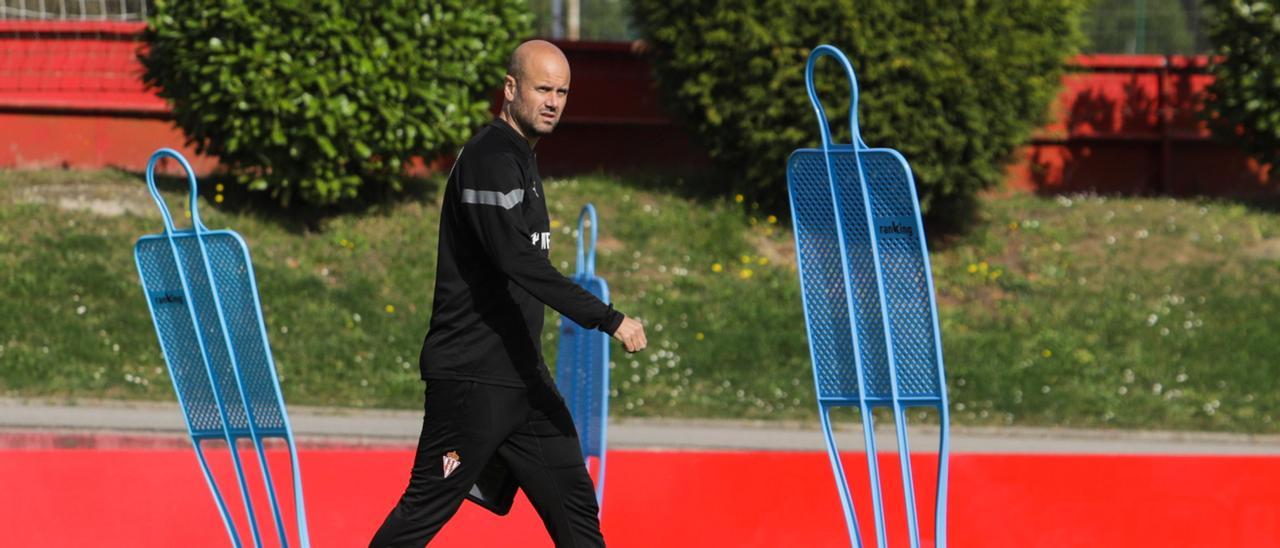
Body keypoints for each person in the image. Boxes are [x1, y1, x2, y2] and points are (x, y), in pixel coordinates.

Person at [369, 40, 647, 547]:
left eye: (562, 91)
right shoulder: (490, 157)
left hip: (523, 379)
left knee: (576, 507)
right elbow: (517, 260)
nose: (554, 101)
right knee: (424, 510)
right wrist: (606, 318)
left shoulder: (521, 158)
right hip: (473, 375)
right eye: (543, 88)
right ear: (511, 88)